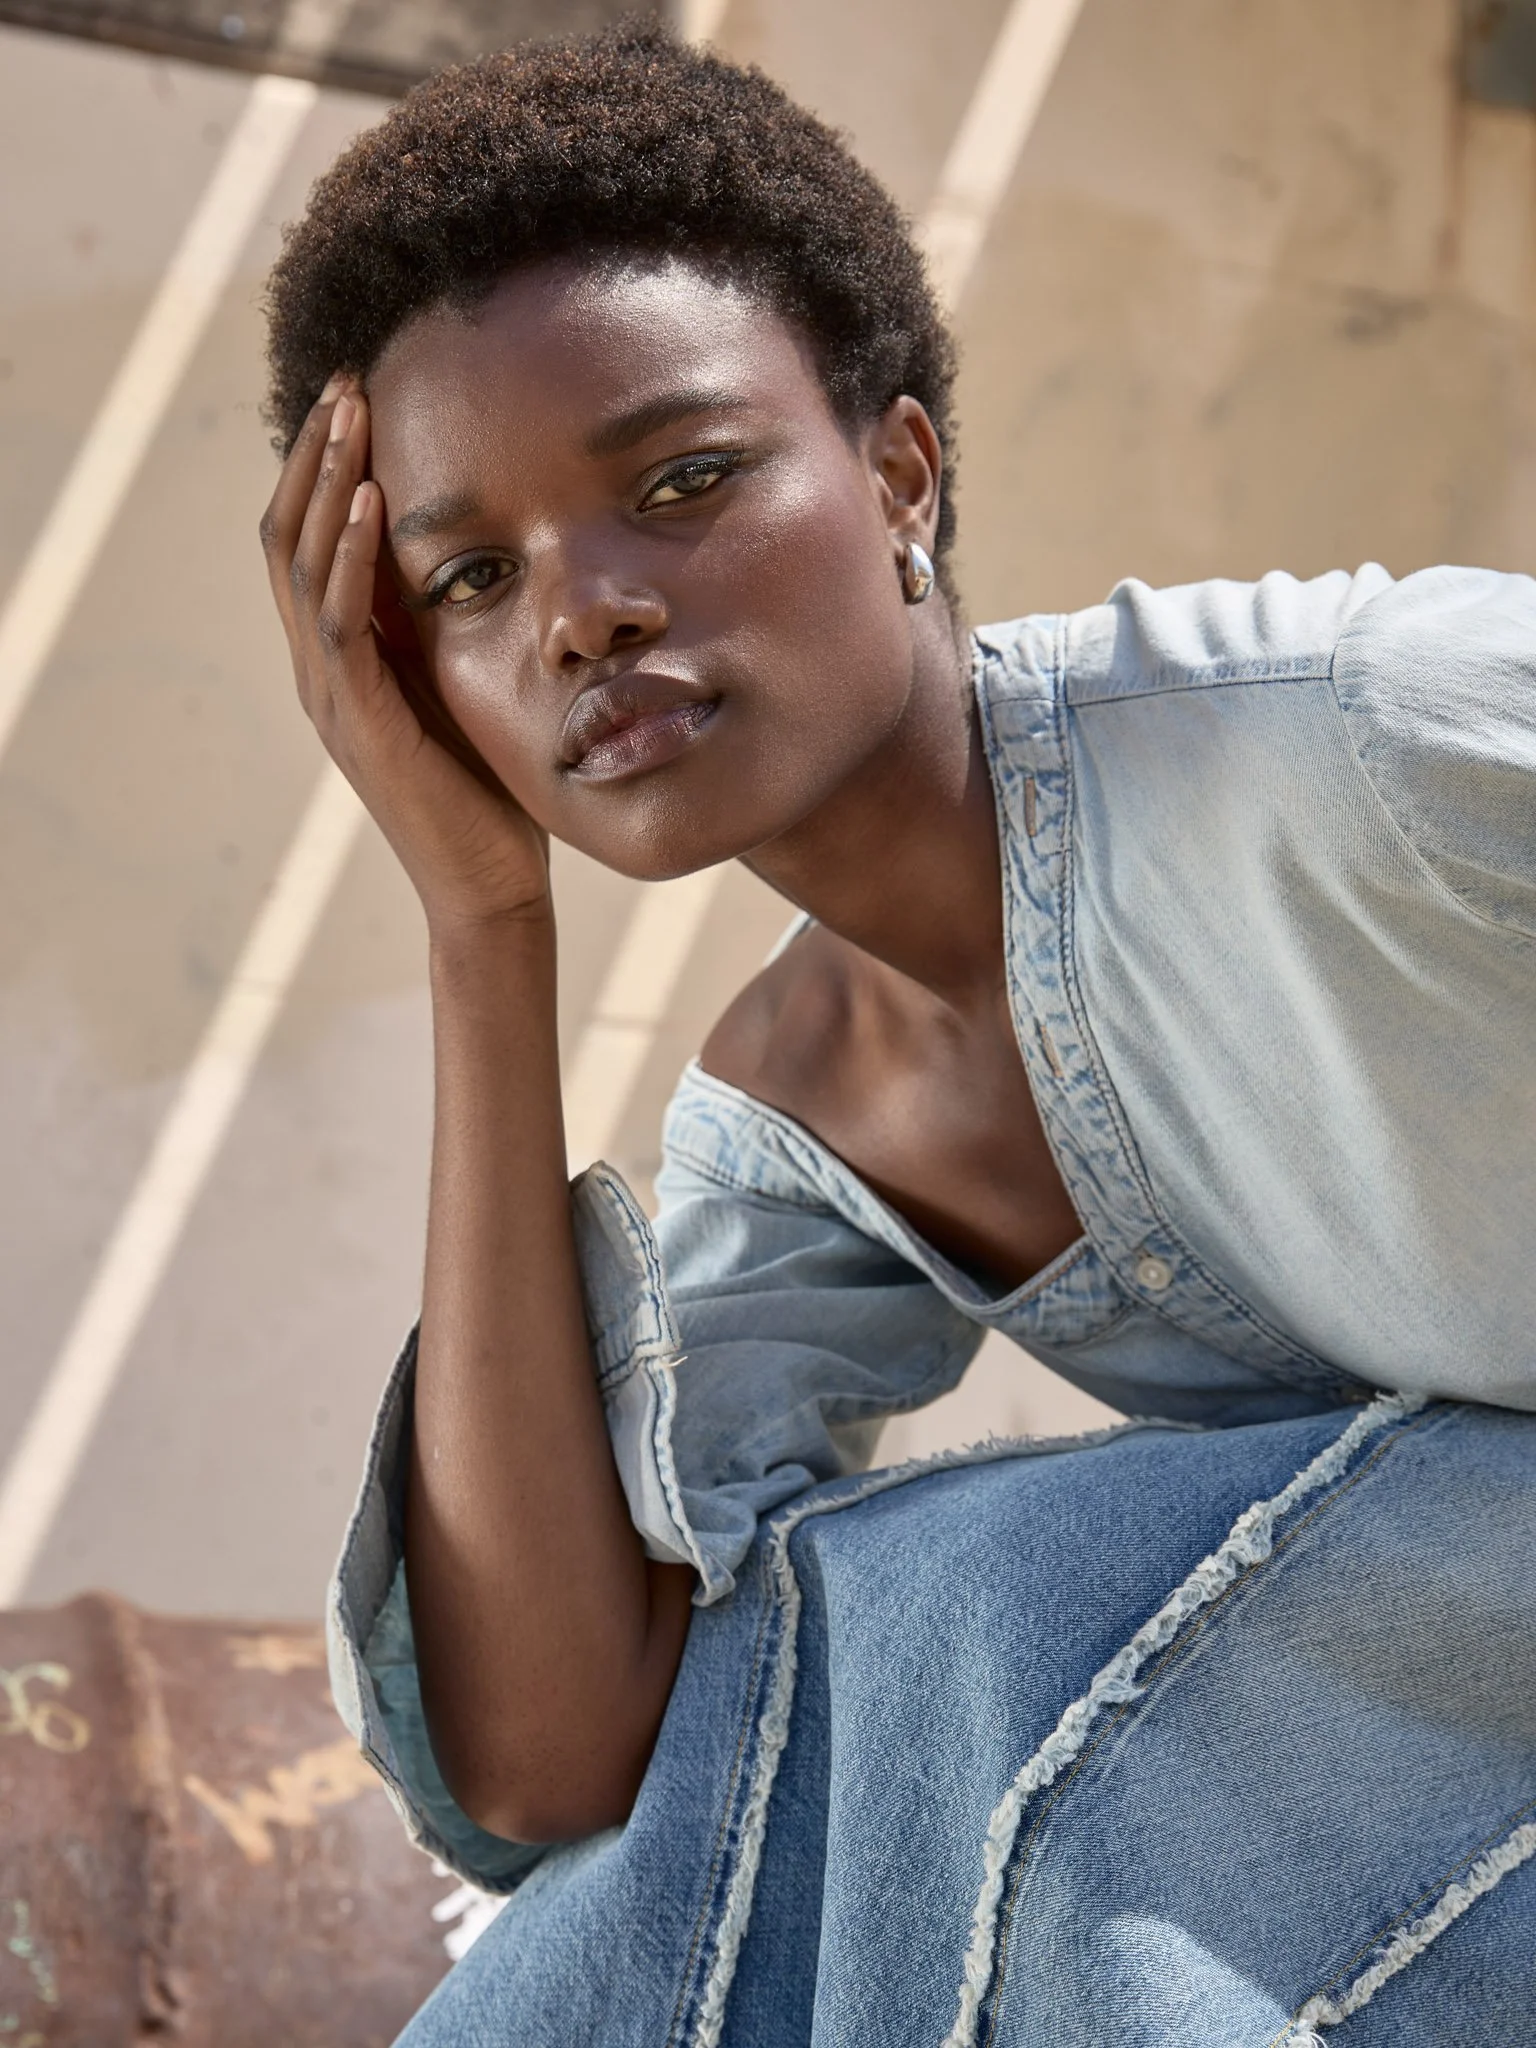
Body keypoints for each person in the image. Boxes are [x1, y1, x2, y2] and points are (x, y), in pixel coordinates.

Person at [260, 25, 1536, 2046]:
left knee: (956, 1612)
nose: (579, 613)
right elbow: (569, 1757)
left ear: (901, 471)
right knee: (809, 1677)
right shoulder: (810, 1124)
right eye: (473, 577)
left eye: (682, 481)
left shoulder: (1361, 731)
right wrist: (480, 921)